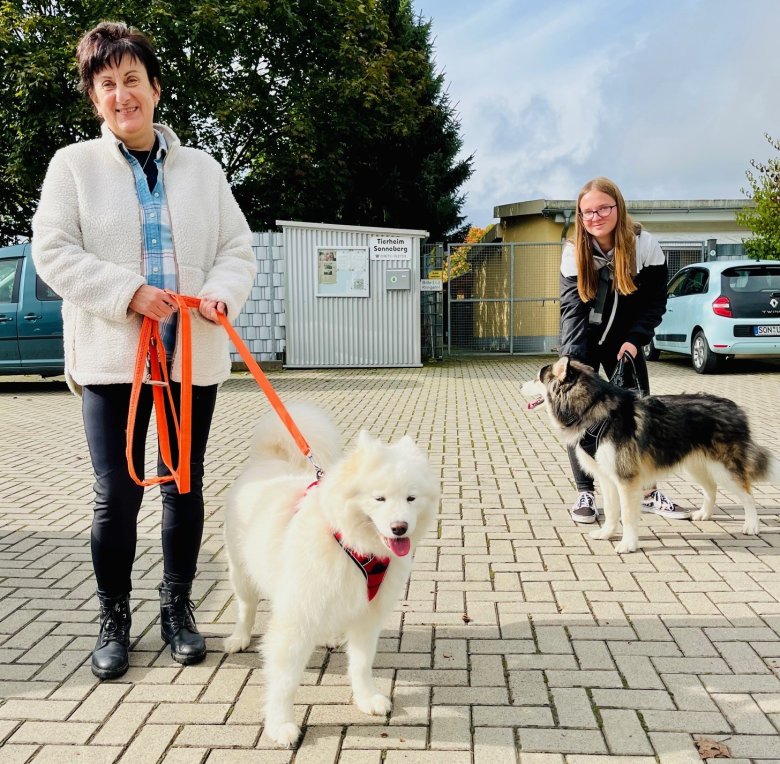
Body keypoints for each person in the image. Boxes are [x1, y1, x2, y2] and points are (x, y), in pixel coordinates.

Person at [32, 22, 256, 680]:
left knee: (184, 486)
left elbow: (235, 249)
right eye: (108, 84)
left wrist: (218, 295)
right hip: (111, 356)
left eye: (133, 80)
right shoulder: (71, 167)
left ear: (155, 89)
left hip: (191, 351)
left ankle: (178, 610)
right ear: (95, 99)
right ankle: (113, 618)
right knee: (117, 494)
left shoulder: (203, 169)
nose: (122, 94)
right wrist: (129, 292)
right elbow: (52, 252)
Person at [559, 177, 691, 524]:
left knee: (637, 412)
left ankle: (646, 491)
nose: (596, 216)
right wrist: (570, 355)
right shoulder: (574, 249)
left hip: (625, 339)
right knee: (577, 415)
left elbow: (654, 302)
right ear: (580, 215)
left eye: (603, 208)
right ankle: (585, 493)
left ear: (618, 206)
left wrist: (636, 339)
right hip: (584, 338)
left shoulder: (643, 245)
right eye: (587, 211)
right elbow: (571, 308)